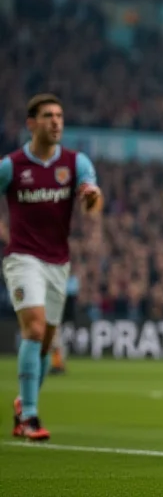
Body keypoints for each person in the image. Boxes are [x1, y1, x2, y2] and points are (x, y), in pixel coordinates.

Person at [1, 94, 103, 441]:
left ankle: (21, 405)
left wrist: (91, 196)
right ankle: (30, 416)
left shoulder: (76, 163)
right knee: (34, 329)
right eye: (48, 116)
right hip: (22, 257)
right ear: (31, 123)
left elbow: (93, 200)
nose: (56, 122)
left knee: (45, 343)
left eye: (59, 115)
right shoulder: (12, 166)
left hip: (58, 262)